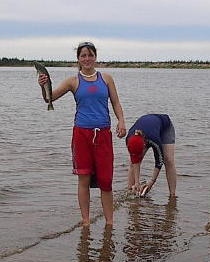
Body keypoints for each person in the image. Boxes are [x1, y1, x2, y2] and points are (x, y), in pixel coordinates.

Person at [38, 41, 126, 226]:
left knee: (105, 180)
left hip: (103, 134)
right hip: (81, 134)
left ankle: (110, 222)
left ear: (95, 57)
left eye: (90, 55)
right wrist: (42, 85)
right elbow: (49, 98)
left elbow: (116, 103)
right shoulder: (73, 81)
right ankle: (86, 221)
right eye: (83, 55)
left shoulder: (107, 78)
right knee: (84, 178)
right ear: (78, 59)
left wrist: (121, 121)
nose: (87, 59)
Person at [126, 114, 176, 197]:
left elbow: (159, 162)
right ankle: (131, 191)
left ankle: (172, 195)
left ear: (144, 145)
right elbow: (135, 160)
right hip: (147, 128)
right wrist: (137, 182)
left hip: (165, 127)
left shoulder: (154, 139)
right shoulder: (129, 139)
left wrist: (151, 182)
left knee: (168, 160)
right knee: (132, 163)